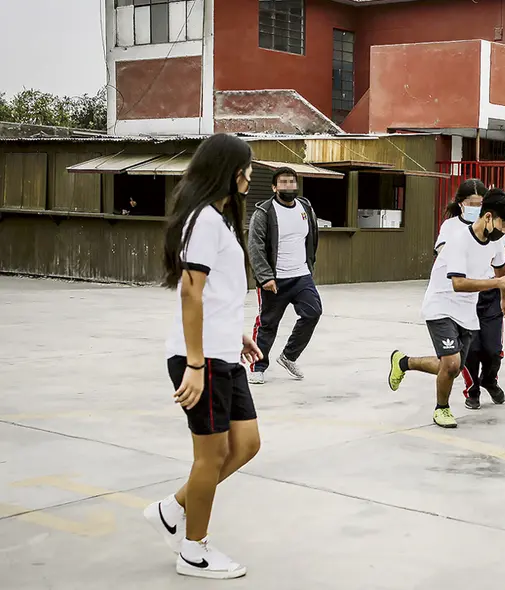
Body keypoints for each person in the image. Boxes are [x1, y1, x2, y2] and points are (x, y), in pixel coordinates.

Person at [144, 133, 262, 580]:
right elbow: (191, 292)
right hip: (203, 360)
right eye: (248, 168)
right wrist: (195, 364)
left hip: (222, 352)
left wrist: (236, 336)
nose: (251, 175)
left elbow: (216, 294)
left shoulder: (218, 219)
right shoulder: (203, 221)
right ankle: (194, 550)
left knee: (246, 444)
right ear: (232, 172)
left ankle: (171, 510)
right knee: (210, 457)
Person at [387, 189, 505, 428]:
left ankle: (403, 362)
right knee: (450, 365)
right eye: (504, 223)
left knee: (453, 367)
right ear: (488, 217)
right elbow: (458, 284)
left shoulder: (497, 241)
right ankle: (442, 409)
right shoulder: (459, 240)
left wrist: (504, 298)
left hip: (467, 311)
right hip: (441, 304)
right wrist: (497, 283)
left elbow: (500, 270)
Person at [434, 179, 505, 410]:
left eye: (481, 204)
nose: (477, 208)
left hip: (488, 293)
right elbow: (448, 263)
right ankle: (472, 390)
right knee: (471, 351)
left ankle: (490, 379)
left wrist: (504, 296)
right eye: (472, 203)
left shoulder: (495, 234)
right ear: (461, 204)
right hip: (462, 296)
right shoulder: (453, 230)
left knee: (493, 349)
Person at [247, 167, 322, 384]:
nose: (288, 186)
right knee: (268, 324)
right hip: (275, 279)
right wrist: (265, 277)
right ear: (274, 187)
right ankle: (258, 366)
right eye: (283, 182)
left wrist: (310, 264)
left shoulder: (305, 208)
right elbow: (255, 246)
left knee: (313, 313)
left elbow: (312, 238)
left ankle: (289, 356)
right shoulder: (264, 212)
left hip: (301, 275)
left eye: (291, 182)